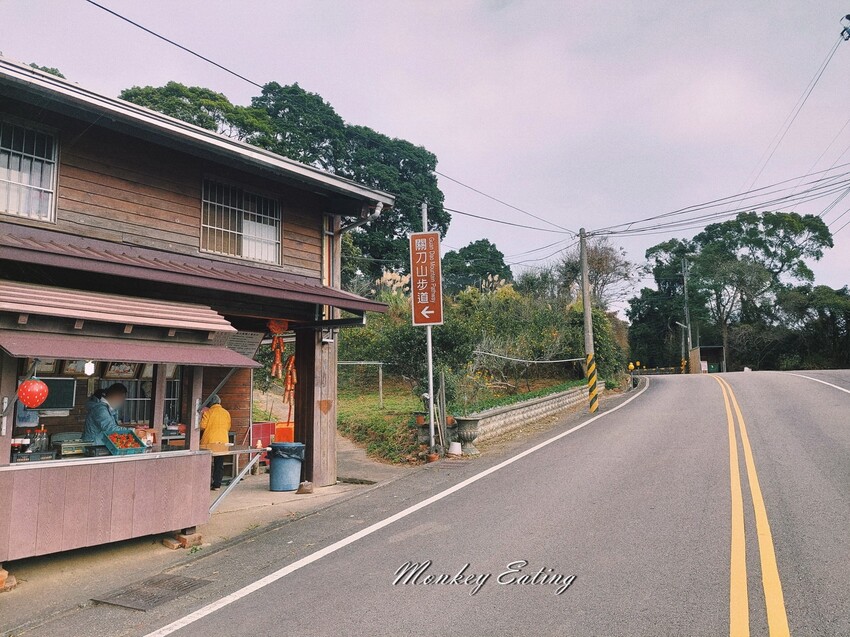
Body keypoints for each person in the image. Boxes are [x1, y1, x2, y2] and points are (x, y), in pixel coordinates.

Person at [200, 394, 231, 490]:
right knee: (219, 463)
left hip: (209, 441)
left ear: (210, 403)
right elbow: (228, 427)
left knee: (206, 463)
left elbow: (202, 426)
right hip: (222, 441)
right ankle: (217, 484)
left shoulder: (208, 412)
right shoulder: (226, 413)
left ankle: (204, 484)